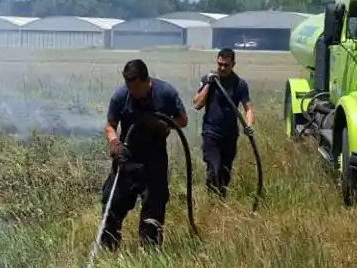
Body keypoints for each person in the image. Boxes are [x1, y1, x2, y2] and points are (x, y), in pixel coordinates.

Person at [100, 59, 188, 250]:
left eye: (136, 88)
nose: (132, 93)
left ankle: (149, 254)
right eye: (129, 87)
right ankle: (108, 250)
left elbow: (182, 120)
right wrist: (115, 145)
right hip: (127, 160)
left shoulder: (166, 93)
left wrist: (161, 125)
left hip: (154, 161)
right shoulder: (121, 96)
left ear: (146, 81)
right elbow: (110, 127)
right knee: (112, 203)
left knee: (153, 211)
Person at [192, 48, 255, 197]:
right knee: (214, 169)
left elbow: (249, 109)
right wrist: (208, 84)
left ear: (233, 64)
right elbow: (197, 104)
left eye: (226, 65)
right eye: (219, 64)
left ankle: (220, 203)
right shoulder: (208, 80)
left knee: (225, 172)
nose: (222, 68)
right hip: (211, 133)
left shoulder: (240, 84)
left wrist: (250, 125)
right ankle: (211, 198)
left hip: (230, 135)